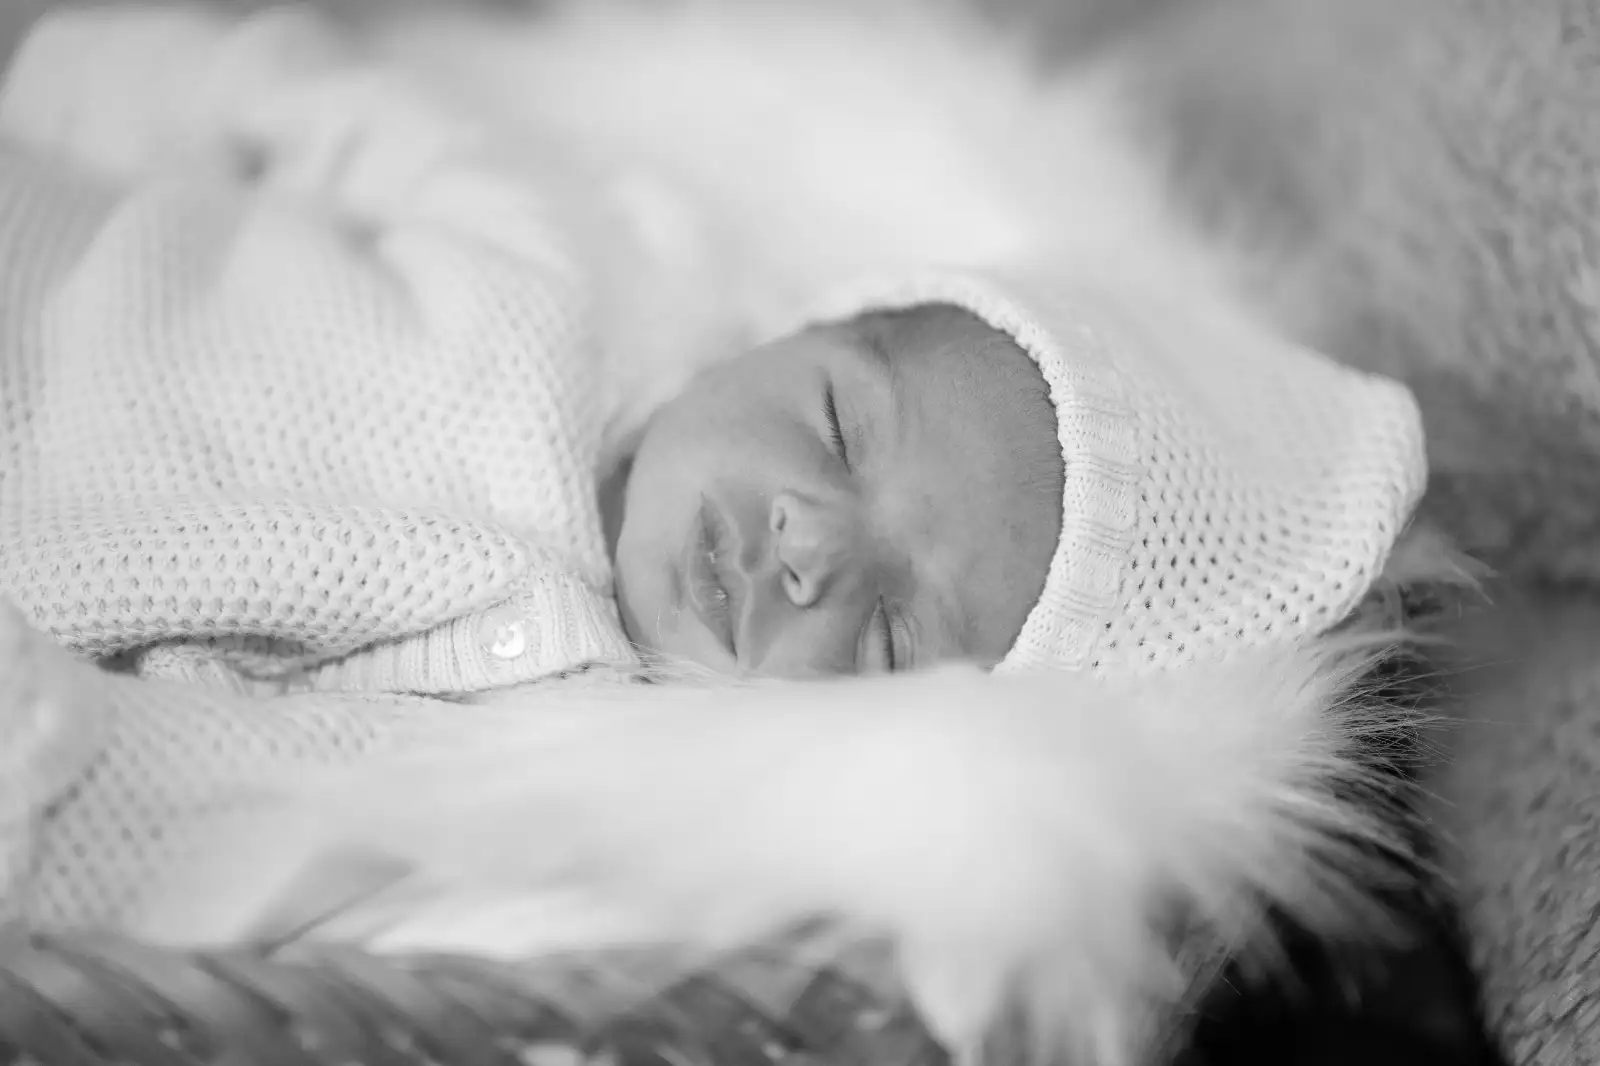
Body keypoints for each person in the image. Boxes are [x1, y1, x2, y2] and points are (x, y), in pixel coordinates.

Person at [0, 4, 1451, 1060]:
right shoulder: (579, 266)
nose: (811, 545)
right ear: (794, 328)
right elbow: (314, 108)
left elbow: (228, 882)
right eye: (839, 427)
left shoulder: (557, 795)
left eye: (891, 631)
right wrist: (102, 88)